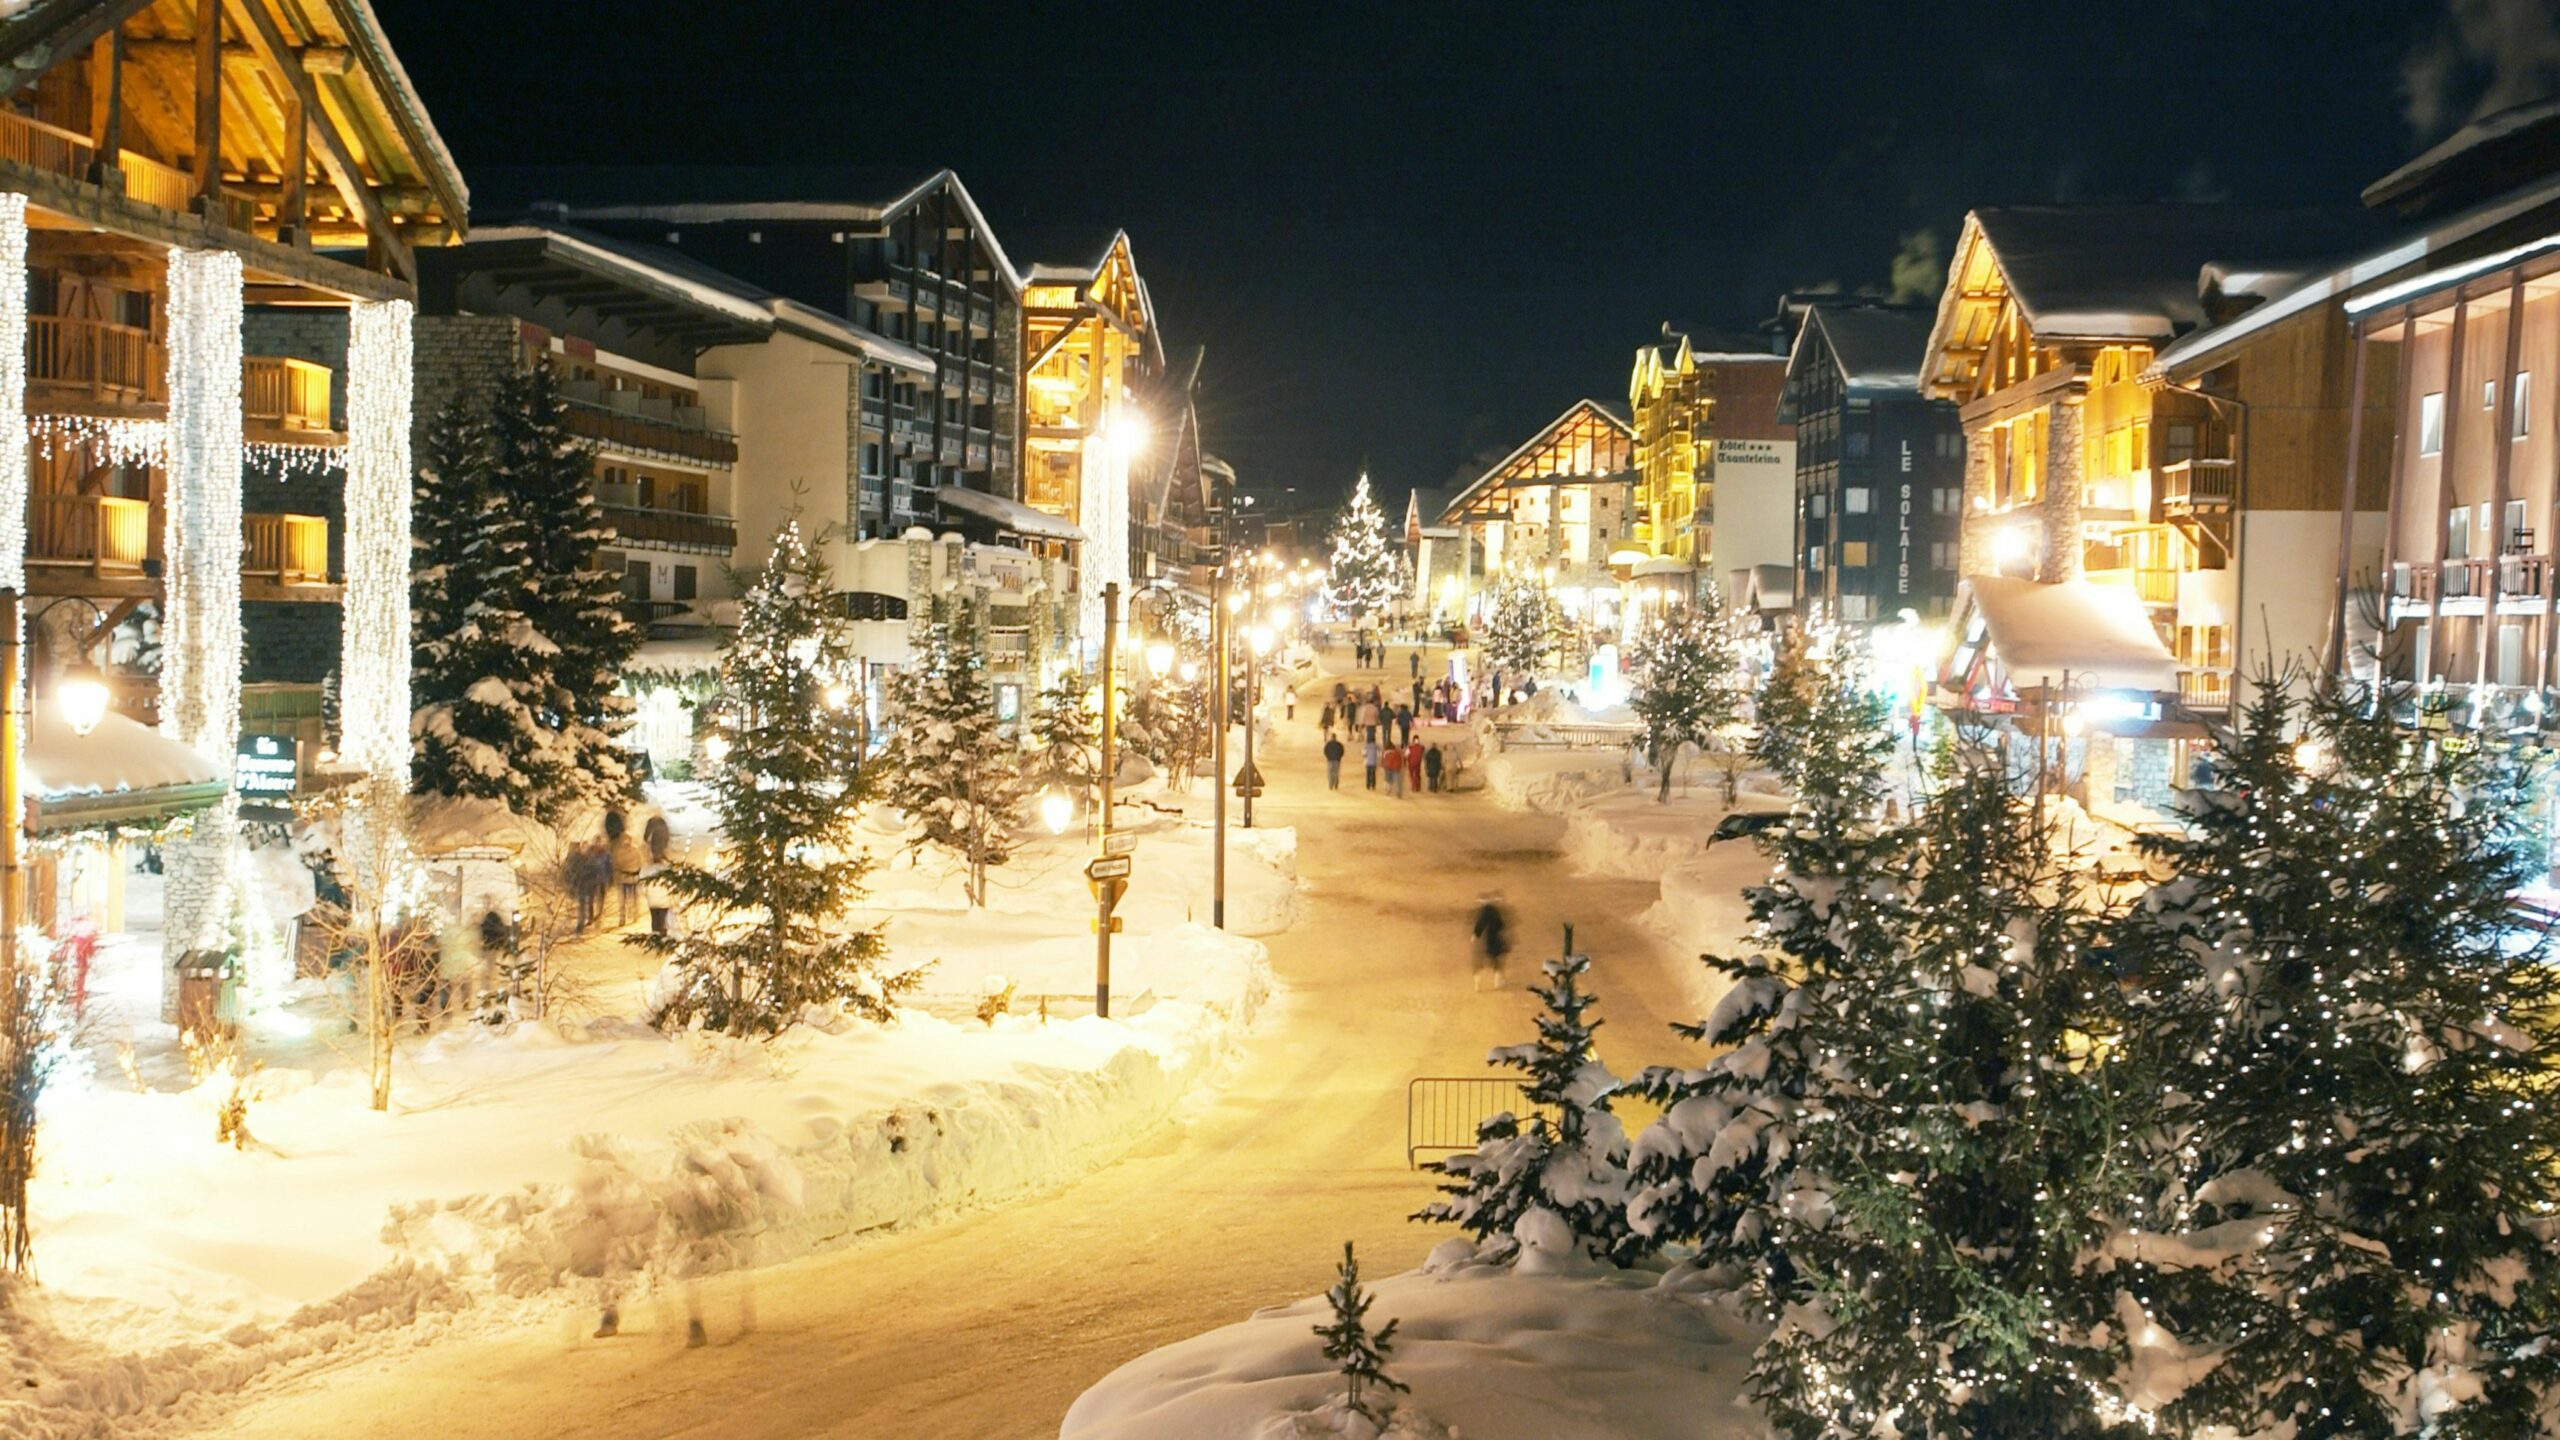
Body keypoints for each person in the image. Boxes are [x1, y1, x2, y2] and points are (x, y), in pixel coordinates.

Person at [1472, 897, 1511, 989]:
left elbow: (1480, 925)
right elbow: (1502, 926)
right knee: (1497, 963)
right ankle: (1497, 983)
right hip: (1495, 941)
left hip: (1483, 943)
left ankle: (1477, 984)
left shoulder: (1483, 914)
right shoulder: (1496, 914)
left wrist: (1475, 934)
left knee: (1479, 964)